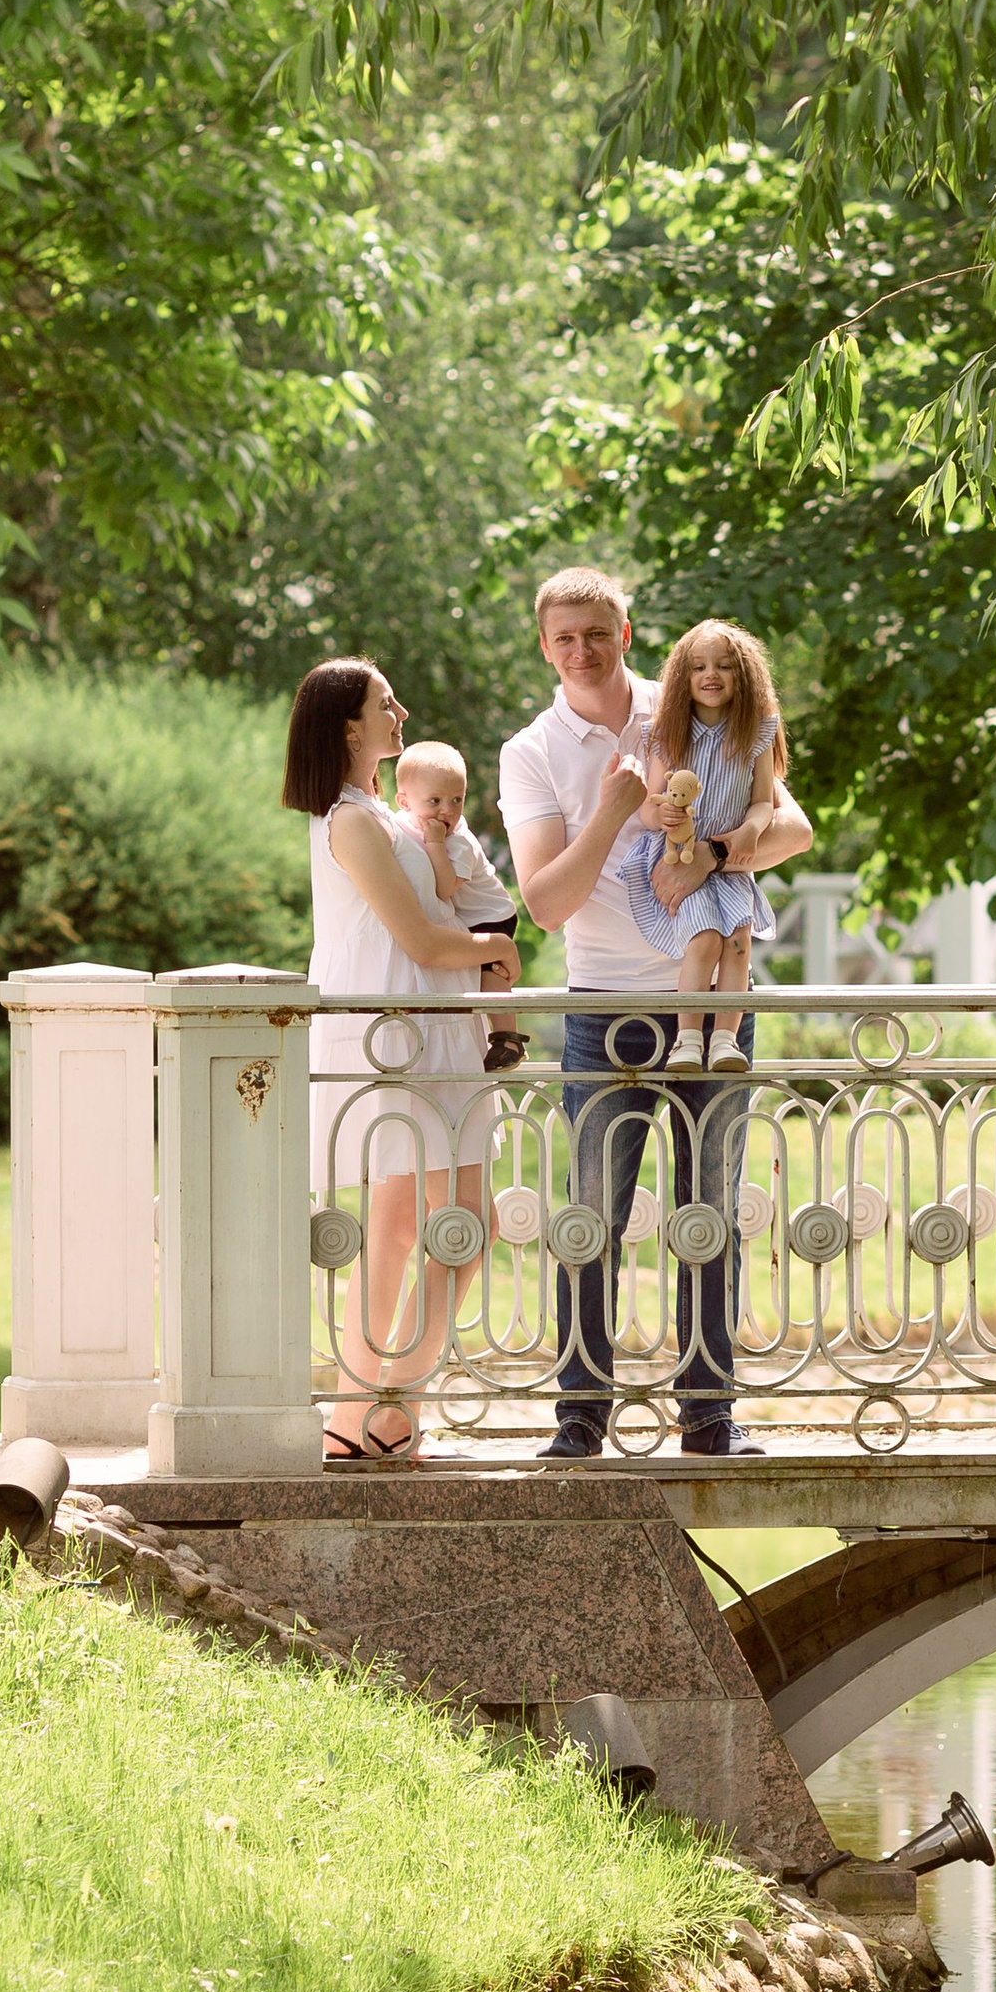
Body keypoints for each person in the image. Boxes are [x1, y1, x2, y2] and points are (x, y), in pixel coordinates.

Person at [498, 566, 814, 1461]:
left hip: (712, 1008)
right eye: (565, 637)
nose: (582, 650)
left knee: (709, 1209)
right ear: (545, 646)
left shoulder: (689, 705)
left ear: (625, 635)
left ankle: (709, 1417)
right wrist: (612, 812)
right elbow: (544, 906)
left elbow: (792, 829)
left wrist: (713, 853)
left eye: (597, 633)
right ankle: (580, 1418)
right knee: (593, 1215)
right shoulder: (531, 751)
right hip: (604, 1006)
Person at [283, 660, 515, 1463]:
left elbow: (442, 906)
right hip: (399, 1037)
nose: (402, 711)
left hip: (433, 1031)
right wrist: (494, 950)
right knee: (437, 1226)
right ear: (350, 726)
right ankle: (376, 1411)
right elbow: (417, 939)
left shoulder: (385, 812)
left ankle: (373, 1411)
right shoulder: (350, 821)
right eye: (386, 704)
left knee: (429, 1226)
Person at [612, 620, 787, 1075]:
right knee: (705, 938)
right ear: (682, 677)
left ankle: (725, 1040)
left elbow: (764, 800)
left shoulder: (756, 732)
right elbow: (649, 805)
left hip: (728, 860)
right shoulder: (667, 733)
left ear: (743, 675)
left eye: (724, 666)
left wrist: (751, 830)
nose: (711, 675)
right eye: (698, 667)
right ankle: (687, 1039)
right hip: (680, 856)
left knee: (739, 942)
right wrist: (663, 817)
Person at [393, 739, 526, 1071]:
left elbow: (445, 887)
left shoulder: (458, 841)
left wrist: (435, 843)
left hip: (491, 914)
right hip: (470, 917)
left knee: (490, 972)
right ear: (404, 802)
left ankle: (508, 1039)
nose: (447, 811)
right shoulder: (403, 825)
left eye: (457, 800)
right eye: (434, 801)